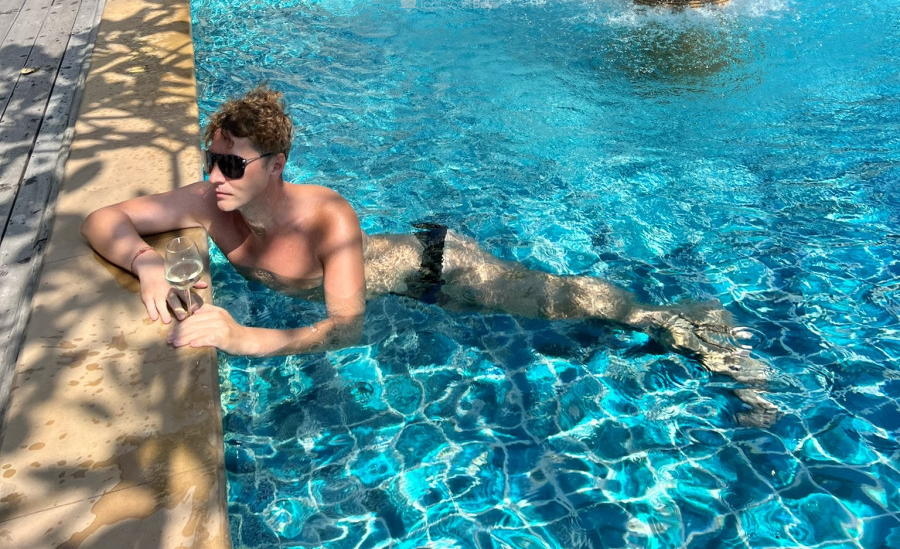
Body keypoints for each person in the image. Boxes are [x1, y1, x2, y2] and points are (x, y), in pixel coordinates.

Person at [81, 86, 766, 395]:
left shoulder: (326, 216)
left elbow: (346, 329)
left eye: (231, 165)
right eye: (211, 160)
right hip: (410, 283)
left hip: (438, 269)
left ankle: (688, 321)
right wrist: (145, 262)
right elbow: (100, 218)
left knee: (563, 302)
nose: (214, 177)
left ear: (276, 166)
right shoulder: (212, 201)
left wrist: (244, 338)